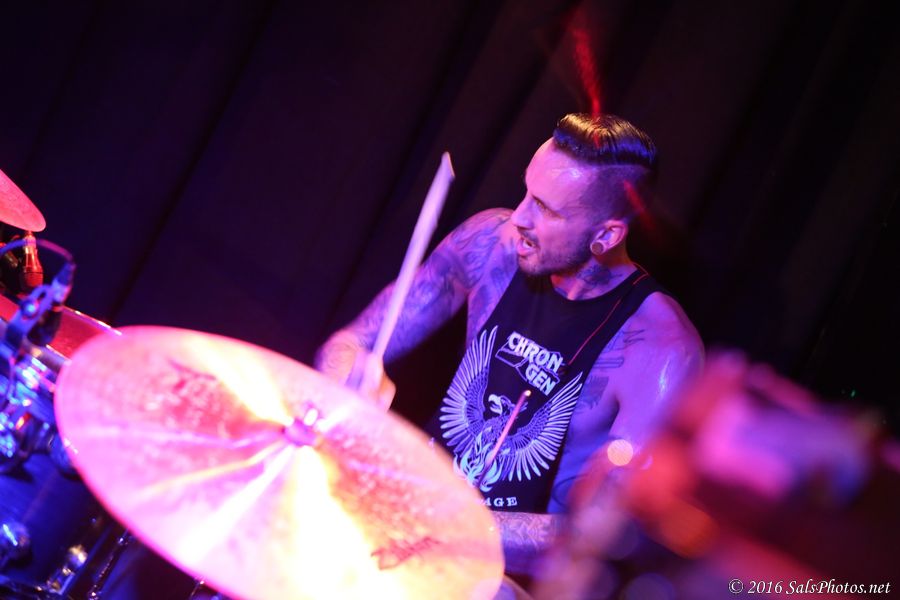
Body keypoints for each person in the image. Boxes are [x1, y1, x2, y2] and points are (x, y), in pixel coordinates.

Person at [315, 113, 704, 577]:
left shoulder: (661, 351)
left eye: (546, 209)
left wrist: (449, 523)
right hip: (402, 517)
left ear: (606, 235)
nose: (519, 217)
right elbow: (353, 341)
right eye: (526, 192)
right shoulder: (489, 243)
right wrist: (345, 384)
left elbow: (601, 536)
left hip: (500, 577)